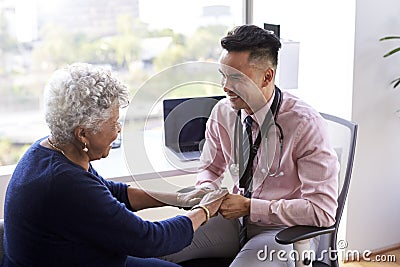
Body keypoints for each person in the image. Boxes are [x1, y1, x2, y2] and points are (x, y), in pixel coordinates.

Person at [2, 63, 228, 267]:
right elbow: (151, 239)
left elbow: (113, 193)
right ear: (83, 134)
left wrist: (180, 199)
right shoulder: (65, 185)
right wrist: (205, 211)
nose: (118, 130)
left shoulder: (50, 150)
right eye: (113, 123)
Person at [164, 25, 339, 266]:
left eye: (236, 77)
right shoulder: (224, 112)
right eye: (223, 75)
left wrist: (251, 207)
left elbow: (322, 211)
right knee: (156, 248)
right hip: (232, 221)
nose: (225, 87)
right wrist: (207, 190)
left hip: (282, 231)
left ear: (267, 76)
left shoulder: (304, 124)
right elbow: (211, 168)